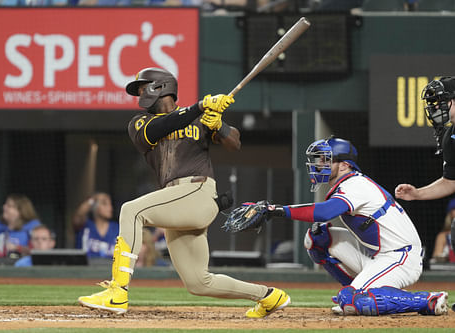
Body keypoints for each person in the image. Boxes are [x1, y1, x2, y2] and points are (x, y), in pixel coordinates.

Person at [78, 67, 289, 318]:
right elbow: (161, 128)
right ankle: (269, 296)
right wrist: (200, 107)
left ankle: (117, 291)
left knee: (131, 210)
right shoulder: (140, 122)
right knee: (199, 282)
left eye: (144, 88)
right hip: (176, 202)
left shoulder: (200, 118)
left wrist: (219, 124)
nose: (140, 95)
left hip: (197, 192)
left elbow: (234, 142)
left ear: (162, 88)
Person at [235, 136, 449, 316]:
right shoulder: (347, 184)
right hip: (377, 255)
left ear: (345, 165)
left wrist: (276, 210)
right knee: (316, 238)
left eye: (326, 160)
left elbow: (325, 212)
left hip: (402, 257)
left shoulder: (355, 184)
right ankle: (357, 290)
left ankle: (427, 300)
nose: (319, 164)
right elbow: (323, 219)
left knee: (354, 302)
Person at [395, 76, 455, 257]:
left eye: (441, 101)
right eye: (433, 103)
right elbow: (450, 181)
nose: (436, 107)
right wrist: (417, 193)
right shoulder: (450, 137)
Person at [0, 194, 41, 260]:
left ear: (20, 211)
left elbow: (39, 250)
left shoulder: (33, 226)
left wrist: (17, 248)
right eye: (5, 204)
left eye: (9, 206)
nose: (4, 207)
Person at [72, 192, 119, 259]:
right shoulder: (85, 226)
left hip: (110, 268)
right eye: (104, 204)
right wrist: (93, 199)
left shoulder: (117, 228)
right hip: (86, 268)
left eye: (110, 204)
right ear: (95, 207)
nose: (110, 208)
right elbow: (78, 217)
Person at [430, 198, 455, 264]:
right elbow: (435, 260)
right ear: (450, 213)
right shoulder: (443, 236)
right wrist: (445, 257)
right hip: (449, 272)